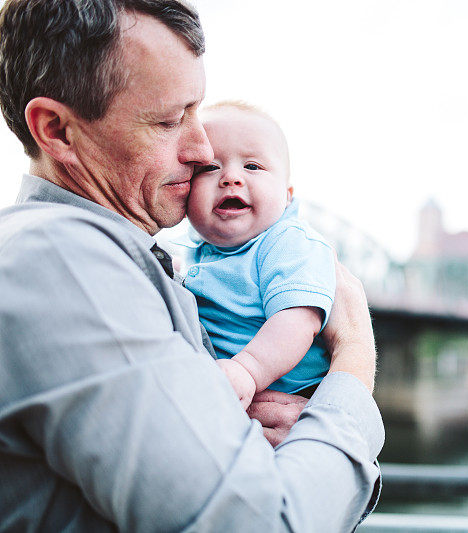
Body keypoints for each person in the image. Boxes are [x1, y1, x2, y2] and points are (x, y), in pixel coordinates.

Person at [0, 1, 383, 531]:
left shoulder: (103, 260)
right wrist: (355, 360)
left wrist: (267, 443)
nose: (203, 149)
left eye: (196, 111)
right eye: (168, 120)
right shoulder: (62, 265)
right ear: (58, 131)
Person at [179, 101, 335, 406]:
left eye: (253, 166)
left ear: (287, 197)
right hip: (225, 392)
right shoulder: (194, 252)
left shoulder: (287, 242)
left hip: (290, 394)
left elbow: (298, 320)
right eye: (210, 167)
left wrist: (248, 369)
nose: (231, 178)